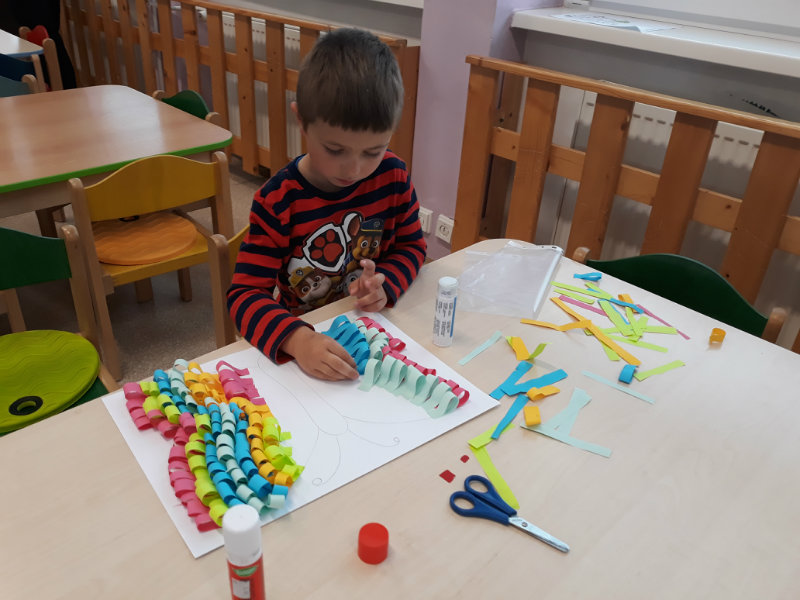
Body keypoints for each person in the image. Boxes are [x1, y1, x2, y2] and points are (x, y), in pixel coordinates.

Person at [228, 28, 427, 382]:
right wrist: (297, 340)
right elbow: (244, 296)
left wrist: (385, 284)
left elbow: (412, 246)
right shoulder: (278, 201)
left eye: (373, 151)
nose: (354, 170)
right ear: (301, 121)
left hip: (371, 330)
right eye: (335, 150)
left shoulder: (393, 176)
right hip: (306, 342)